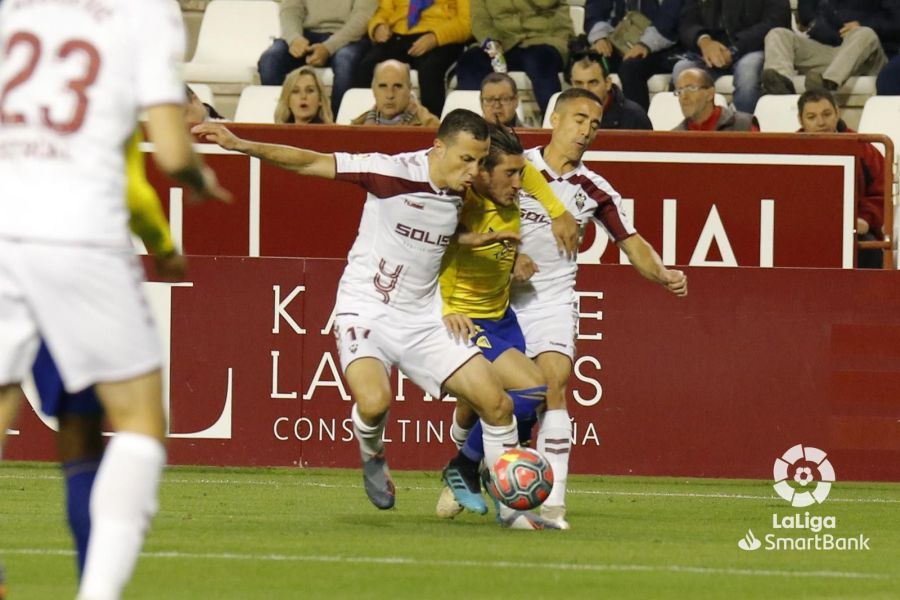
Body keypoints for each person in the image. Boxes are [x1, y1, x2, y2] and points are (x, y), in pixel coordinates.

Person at [192, 110, 576, 515]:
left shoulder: (461, 191)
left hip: (424, 319)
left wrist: (486, 239)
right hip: (368, 310)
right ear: (438, 148)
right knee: (375, 402)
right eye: (466, 160)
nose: (474, 171)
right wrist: (241, 144)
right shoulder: (389, 172)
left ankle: (513, 514)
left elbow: (453, 227)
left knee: (497, 404)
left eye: (480, 162)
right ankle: (372, 451)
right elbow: (308, 160)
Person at [0, 2, 230, 600]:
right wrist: (200, 184)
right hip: (82, 238)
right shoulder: (143, 13)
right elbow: (171, 154)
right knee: (139, 426)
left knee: (55, 421)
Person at [510, 88, 688, 528]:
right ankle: (463, 463)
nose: (586, 130)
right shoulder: (514, 167)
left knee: (554, 384)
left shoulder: (595, 189)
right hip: (499, 303)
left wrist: (662, 274)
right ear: (554, 118)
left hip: (551, 302)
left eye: (594, 124)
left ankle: (553, 504)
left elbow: (632, 242)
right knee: (487, 402)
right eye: (578, 119)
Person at [434, 125, 577, 529]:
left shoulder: (515, 175)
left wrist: (557, 212)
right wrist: (443, 306)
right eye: (510, 175)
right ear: (482, 173)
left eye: (521, 173)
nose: (520, 182)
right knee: (532, 388)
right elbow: (432, 249)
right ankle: (465, 465)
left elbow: (537, 183)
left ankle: (504, 498)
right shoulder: (461, 199)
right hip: (463, 317)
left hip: (501, 316)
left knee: (514, 414)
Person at [796, 90, 885, 268]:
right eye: (812, 117)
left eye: (827, 114)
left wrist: (865, 219)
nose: (821, 123)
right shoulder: (787, 150)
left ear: (837, 112)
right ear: (801, 120)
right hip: (802, 230)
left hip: (852, 231)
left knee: (870, 251)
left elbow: (881, 192)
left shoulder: (864, 149)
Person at [258, 0, 376, 116]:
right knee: (269, 61)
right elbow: (290, 9)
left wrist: (328, 47)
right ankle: (281, 121)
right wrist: (294, 38)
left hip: (347, 37)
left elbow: (363, 16)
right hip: (305, 33)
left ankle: (336, 125)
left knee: (345, 62)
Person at [354, 0, 470, 117]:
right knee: (368, 65)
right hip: (399, 34)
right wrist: (378, 26)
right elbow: (384, 11)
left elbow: (467, 22)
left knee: (429, 71)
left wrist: (436, 37)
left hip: (442, 37)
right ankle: (367, 126)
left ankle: (432, 128)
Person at [457, 0, 573, 116]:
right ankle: (472, 123)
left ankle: (553, 122)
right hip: (504, 41)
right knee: (470, 61)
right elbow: (480, 20)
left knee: (539, 61)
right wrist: (492, 41)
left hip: (545, 38)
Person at [674, 0, 790, 113]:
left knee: (747, 75)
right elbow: (686, 23)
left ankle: (744, 127)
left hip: (751, 47)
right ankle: (695, 130)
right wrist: (704, 41)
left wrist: (735, 50)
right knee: (682, 70)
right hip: (709, 52)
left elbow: (777, 20)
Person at [761, 0, 894, 95]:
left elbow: (895, 21)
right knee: (778, 34)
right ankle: (781, 86)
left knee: (865, 33)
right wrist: (817, 25)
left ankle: (826, 86)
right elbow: (806, 14)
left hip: (867, 54)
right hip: (829, 52)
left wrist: (861, 24)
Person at [583, 0, 685, 110]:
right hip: (617, 41)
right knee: (588, 61)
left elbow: (670, 19)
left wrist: (645, 44)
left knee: (630, 68)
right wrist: (599, 37)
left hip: (662, 47)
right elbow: (594, 9)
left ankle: (637, 123)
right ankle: (591, 117)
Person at [568, 51, 652, 129]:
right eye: (579, 83)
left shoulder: (634, 117)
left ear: (608, 83)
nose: (585, 90)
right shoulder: (564, 115)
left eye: (593, 83)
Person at [351, 60, 440, 126]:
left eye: (398, 86)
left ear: (409, 89)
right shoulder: (358, 125)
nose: (390, 95)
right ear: (374, 90)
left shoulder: (430, 126)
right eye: (383, 86)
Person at [672, 68, 760, 131]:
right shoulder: (674, 137)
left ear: (710, 93)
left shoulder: (744, 125)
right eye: (679, 91)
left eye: (691, 88)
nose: (684, 97)